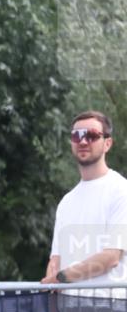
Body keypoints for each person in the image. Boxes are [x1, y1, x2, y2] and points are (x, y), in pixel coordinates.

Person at [42, 111, 126, 294]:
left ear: (107, 143)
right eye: (76, 135)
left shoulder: (121, 190)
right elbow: (55, 260)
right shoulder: (66, 202)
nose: (83, 141)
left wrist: (61, 278)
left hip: (112, 308)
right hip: (70, 310)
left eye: (92, 135)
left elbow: (111, 257)